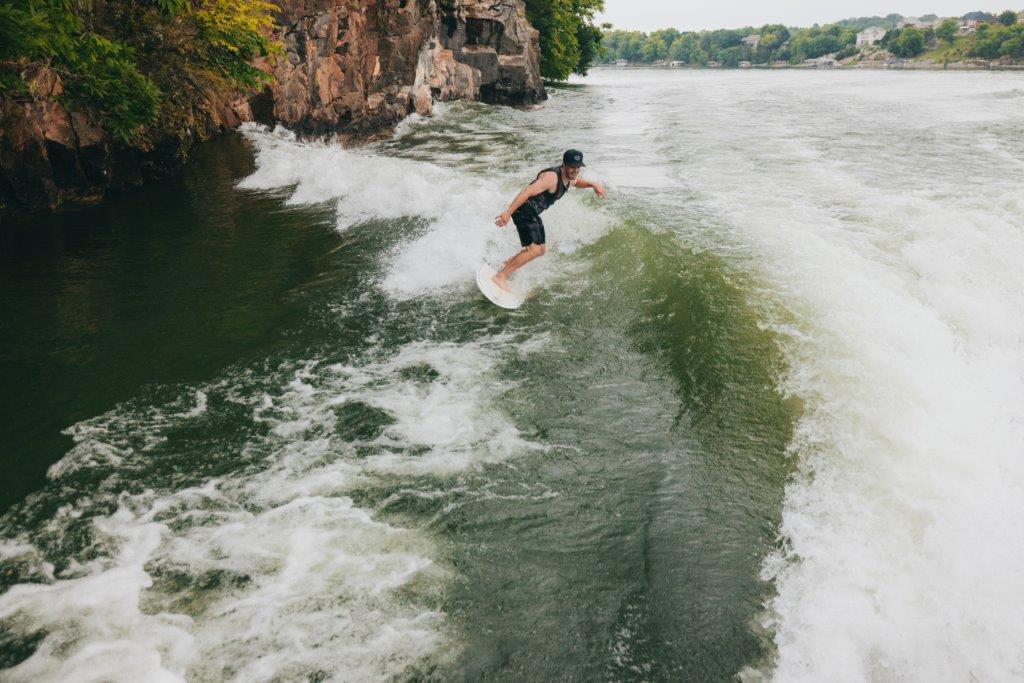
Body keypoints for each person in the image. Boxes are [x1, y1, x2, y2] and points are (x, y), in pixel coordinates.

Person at [492, 149, 607, 292]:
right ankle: (500, 276)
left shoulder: (569, 177)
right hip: (524, 210)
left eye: (578, 167)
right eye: (572, 167)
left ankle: (506, 265)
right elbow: (527, 191)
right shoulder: (551, 177)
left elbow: (576, 183)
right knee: (534, 250)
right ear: (564, 165)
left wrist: (593, 185)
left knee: (540, 250)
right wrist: (508, 212)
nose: (575, 170)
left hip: (533, 213)